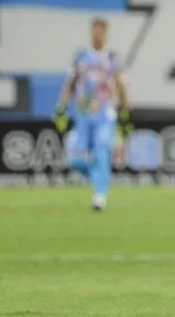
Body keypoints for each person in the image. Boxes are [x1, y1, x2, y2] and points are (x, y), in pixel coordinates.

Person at [54, 18, 131, 212]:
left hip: (105, 114)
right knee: (76, 159)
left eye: (101, 32)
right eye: (95, 31)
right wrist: (61, 108)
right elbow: (70, 84)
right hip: (83, 114)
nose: (97, 35)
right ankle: (100, 180)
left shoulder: (112, 58)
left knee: (102, 151)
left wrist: (125, 110)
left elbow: (121, 84)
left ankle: (100, 195)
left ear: (106, 34)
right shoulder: (81, 57)